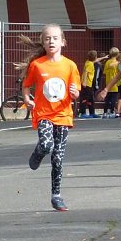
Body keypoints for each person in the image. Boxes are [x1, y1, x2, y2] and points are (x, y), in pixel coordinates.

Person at [21, 24, 81, 211]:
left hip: (63, 115)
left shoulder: (70, 65)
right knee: (47, 145)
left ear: (63, 41)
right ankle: (38, 153)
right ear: (43, 42)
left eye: (55, 38)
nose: (51, 41)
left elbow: (76, 90)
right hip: (43, 113)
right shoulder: (37, 65)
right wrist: (27, 99)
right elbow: (26, 85)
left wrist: (75, 93)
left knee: (58, 157)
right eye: (47, 38)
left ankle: (56, 196)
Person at [78, 50, 106, 119]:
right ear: (95, 57)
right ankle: (82, 113)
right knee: (84, 98)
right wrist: (84, 82)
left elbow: (97, 60)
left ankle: (92, 112)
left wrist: (104, 57)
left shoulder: (89, 61)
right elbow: (86, 73)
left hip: (90, 85)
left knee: (91, 99)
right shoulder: (89, 64)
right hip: (87, 84)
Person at [101, 47, 121, 118]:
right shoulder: (117, 63)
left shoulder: (107, 62)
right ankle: (112, 111)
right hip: (115, 82)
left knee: (107, 98)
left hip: (108, 82)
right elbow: (119, 72)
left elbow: (105, 72)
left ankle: (105, 112)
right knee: (113, 98)